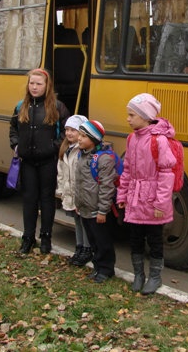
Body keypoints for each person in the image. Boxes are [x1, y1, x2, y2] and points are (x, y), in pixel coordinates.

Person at [116, 93, 176, 295]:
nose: (128, 118)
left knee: (155, 240)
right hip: (135, 199)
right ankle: (139, 274)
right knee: (135, 238)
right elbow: (127, 170)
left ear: (145, 116)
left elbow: (166, 175)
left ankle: (155, 276)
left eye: (132, 115)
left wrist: (161, 204)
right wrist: (122, 195)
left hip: (151, 201)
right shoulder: (132, 138)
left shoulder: (159, 141)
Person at [9, 68, 70, 254]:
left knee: (47, 200)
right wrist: (16, 145)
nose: (34, 87)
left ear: (47, 86)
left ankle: (46, 238)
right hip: (27, 162)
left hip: (48, 162)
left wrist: (53, 148)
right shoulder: (21, 106)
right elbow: (13, 129)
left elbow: (67, 134)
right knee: (29, 200)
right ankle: (28, 237)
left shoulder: (57, 107)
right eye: (31, 83)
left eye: (39, 84)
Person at [75, 120, 117, 283]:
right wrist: (78, 205)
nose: (79, 138)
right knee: (93, 241)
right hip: (85, 207)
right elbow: (79, 184)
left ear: (94, 139)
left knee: (103, 241)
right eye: (79, 134)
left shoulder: (103, 159)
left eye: (83, 136)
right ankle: (98, 267)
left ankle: (106, 269)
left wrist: (102, 210)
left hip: (98, 210)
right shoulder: (82, 154)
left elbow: (107, 187)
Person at [55, 114, 93, 266]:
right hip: (70, 193)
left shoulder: (81, 151)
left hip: (81, 195)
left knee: (84, 222)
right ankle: (79, 247)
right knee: (77, 221)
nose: (69, 133)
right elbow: (61, 172)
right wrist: (61, 190)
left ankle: (87, 249)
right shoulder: (65, 149)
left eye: (73, 130)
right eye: (67, 130)